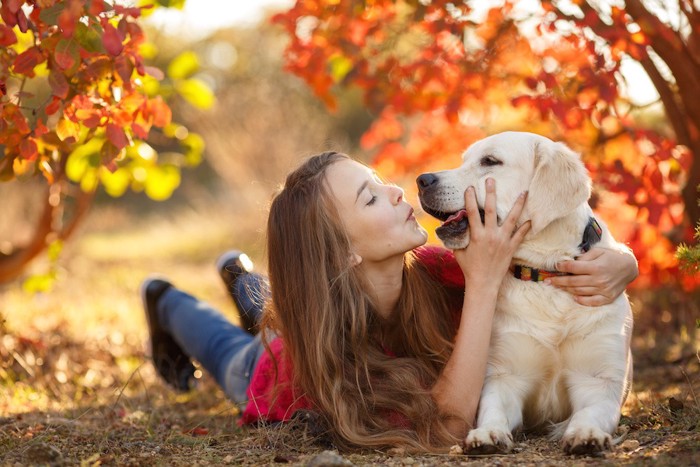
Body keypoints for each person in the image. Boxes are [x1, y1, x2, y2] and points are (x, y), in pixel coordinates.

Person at [142, 151, 638, 452]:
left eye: (380, 181)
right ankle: (165, 299)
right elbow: (446, 427)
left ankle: (244, 278)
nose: (397, 191)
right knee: (232, 350)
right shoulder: (329, 364)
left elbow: (552, 260)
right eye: (371, 198)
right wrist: (484, 287)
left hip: (312, 297)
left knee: (266, 310)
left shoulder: (440, 269)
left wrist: (621, 259)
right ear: (346, 250)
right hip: (273, 361)